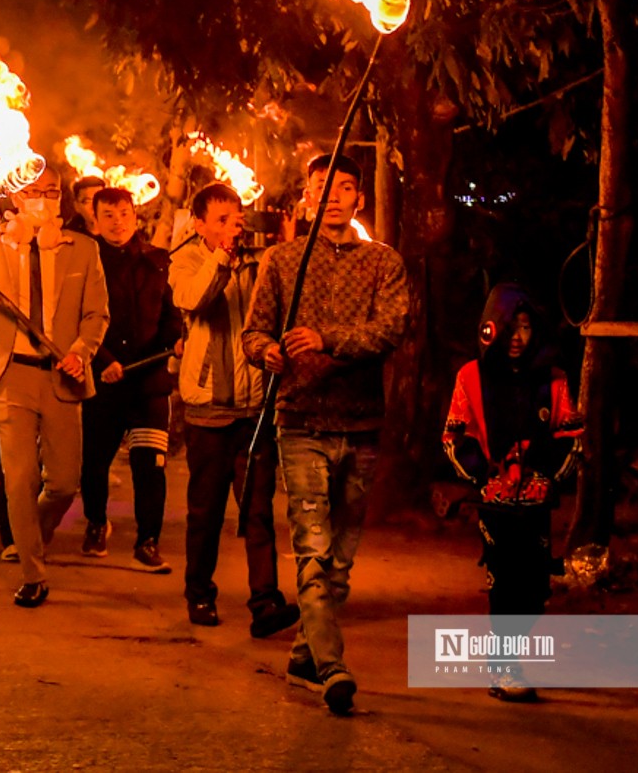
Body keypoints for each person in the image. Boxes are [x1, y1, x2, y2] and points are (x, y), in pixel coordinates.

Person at [243, 154, 409, 714]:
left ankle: (302, 654)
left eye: (343, 188)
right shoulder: (283, 260)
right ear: (308, 197)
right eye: (322, 187)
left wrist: (326, 338)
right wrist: (266, 351)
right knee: (311, 550)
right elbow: (254, 330)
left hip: (361, 422)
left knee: (341, 559)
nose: (333, 196)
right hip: (301, 421)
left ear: (359, 198)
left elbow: (390, 329)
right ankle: (333, 665)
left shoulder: (384, 263)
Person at [0, 165, 109, 608]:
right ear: (15, 198)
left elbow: (97, 314)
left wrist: (80, 352)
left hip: (62, 373)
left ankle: (31, 538)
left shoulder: (82, 249)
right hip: (9, 373)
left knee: (62, 482)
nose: (44, 199)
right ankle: (32, 572)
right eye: (35, 192)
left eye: (53, 192)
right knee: (19, 479)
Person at [443, 282, 582, 701]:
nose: (518, 337)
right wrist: (484, 475)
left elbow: (569, 434)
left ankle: (510, 657)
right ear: (492, 329)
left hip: (537, 502)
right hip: (495, 503)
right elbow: (454, 436)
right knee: (505, 583)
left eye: (525, 327)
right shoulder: (471, 376)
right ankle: (504, 667)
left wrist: (545, 475)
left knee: (535, 586)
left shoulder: (553, 379)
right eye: (510, 326)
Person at [170, 181, 298, 637]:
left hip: (254, 405)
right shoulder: (185, 260)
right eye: (220, 220)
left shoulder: (260, 262)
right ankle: (199, 592)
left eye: (236, 217)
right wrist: (222, 255)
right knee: (205, 510)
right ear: (200, 223)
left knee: (258, 509)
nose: (232, 226)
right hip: (208, 406)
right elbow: (194, 300)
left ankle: (265, 601)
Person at [80, 186, 182, 573]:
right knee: (94, 462)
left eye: (124, 213)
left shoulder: (158, 261)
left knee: (150, 464)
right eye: (108, 214)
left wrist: (176, 340)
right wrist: (101, 359)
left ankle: (148, 541)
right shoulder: (86, 261)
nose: (117, 221)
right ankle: (95, 521)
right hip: (102, 382)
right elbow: (78, 315)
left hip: (148, 383)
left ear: (135, 216)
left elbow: (171, 314)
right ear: (96, 219)